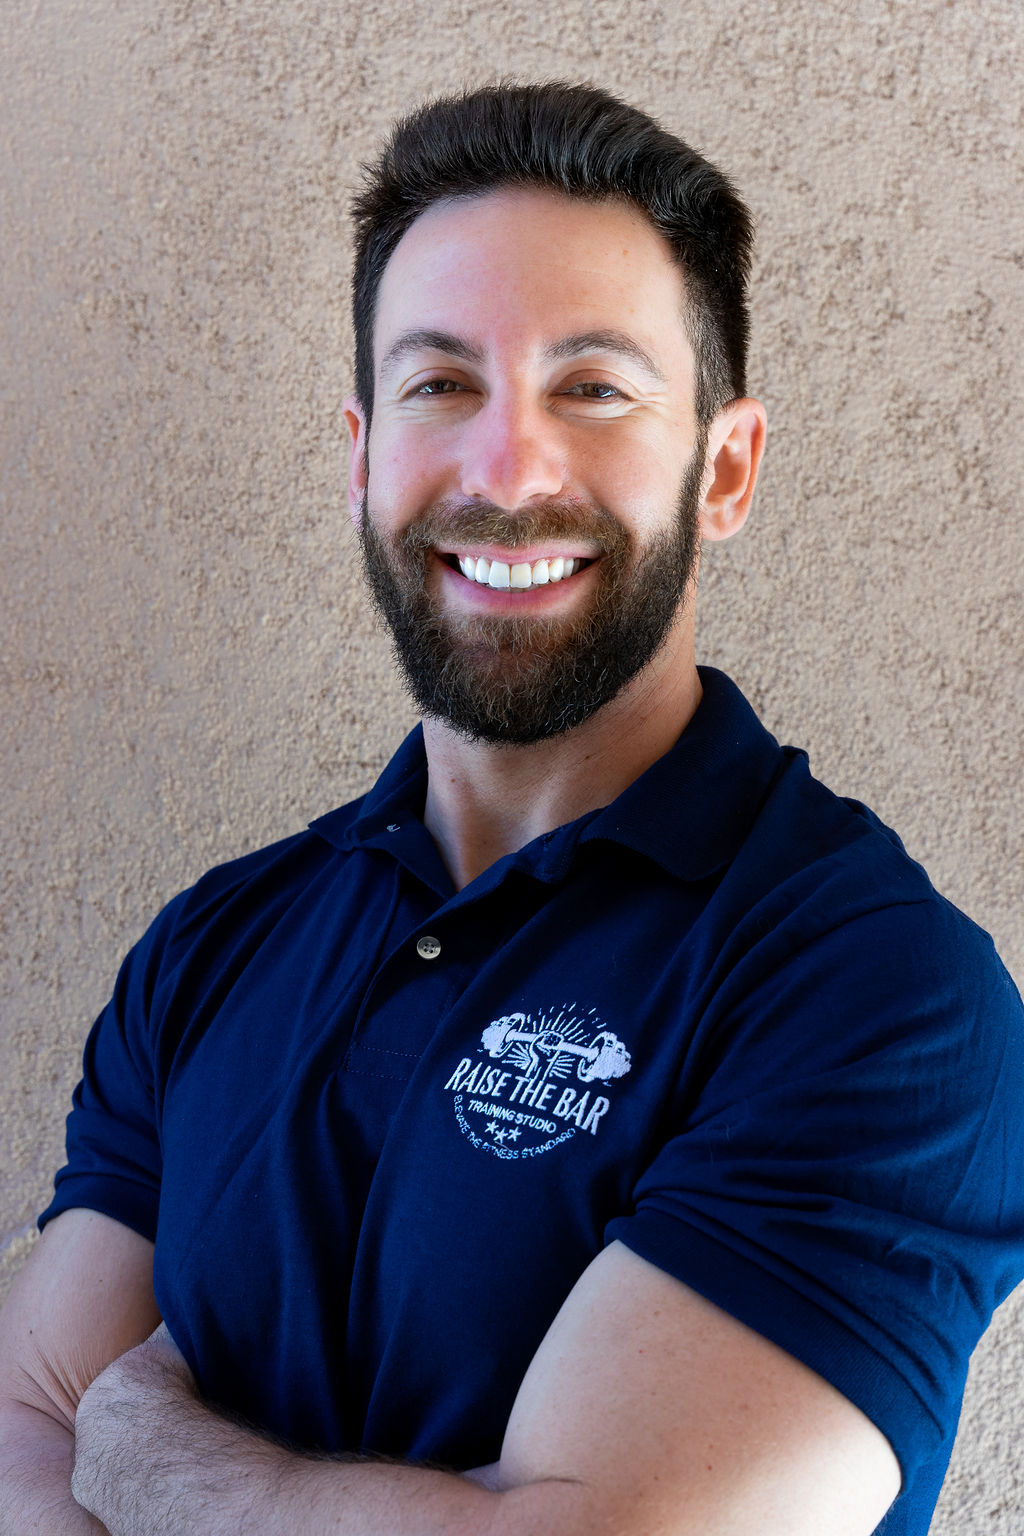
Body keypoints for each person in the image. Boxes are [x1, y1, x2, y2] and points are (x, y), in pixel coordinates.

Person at [1, 81, 1022, 1536]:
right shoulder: (214, 946)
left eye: (592, 387)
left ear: (725, 467)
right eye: (440, 385)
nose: (507, 470)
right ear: (364, 454)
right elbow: (23, 1433)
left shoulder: (878, 996)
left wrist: (146, 1445)